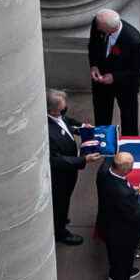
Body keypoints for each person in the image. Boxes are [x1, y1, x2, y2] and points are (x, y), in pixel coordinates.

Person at [46, 89, 102, 245]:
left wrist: (82, 128)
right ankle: (60, 232)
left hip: (69, 173)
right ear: (51, 110)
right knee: (60, 201)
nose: (64, 110)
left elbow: (66, 122)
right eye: (61, 108)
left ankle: (62, 218)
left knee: (65, 199)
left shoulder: (57, 116)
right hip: (60, 176)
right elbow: (56, 160)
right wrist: (83, 160)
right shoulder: (48, 132)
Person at [96, 152, 140, 280]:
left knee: (115, 257)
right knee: (123, 259)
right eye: (131, 166)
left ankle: (115, 274)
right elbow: (134, 212)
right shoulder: (122, 192)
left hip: (107, 224)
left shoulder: (103, 173)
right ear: (125, 170)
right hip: (121, 233)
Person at [88, 9, 140, 136]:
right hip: (101, 81)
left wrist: (115, 77)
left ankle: (129, 144)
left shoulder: (133, 40)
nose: (97, 27)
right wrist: (94, 66)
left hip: (126, 85)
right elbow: (93, 44)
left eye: (100, 27)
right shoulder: (98, 23)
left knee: (129, 117)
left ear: (110, 30)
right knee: (101, 114)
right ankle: (104, 140)